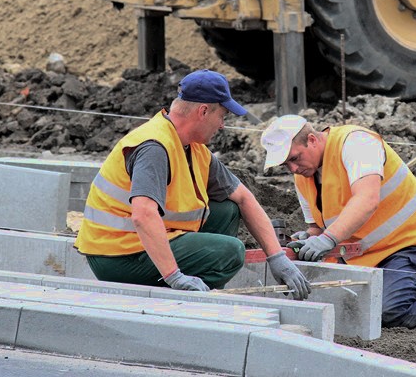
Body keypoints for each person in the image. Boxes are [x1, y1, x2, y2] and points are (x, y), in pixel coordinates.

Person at [74, 70, 309, 300]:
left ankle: (198, 286)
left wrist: (277, 258)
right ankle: (190, 299)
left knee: (227, 209)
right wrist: (174, 276)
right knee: (230, 252)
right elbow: (143, 215)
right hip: (115, 256)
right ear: (203, 111)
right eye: (222, 116)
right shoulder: (154, 146)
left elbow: (244, 198)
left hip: (139, 243)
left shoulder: (194, 148)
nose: (222, 126)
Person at [260, 114, 416, 327]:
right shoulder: (304, 175)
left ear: (312, 139)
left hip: (408, 245)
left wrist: (327, 239)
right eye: (285, 165)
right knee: (342, 308)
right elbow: (317, 227)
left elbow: (367, 200)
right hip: (362, 254)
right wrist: (309, 238)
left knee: (383, 313)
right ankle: (404, 287)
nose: (292, 169)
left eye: (294, 158)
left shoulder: (356, 143)